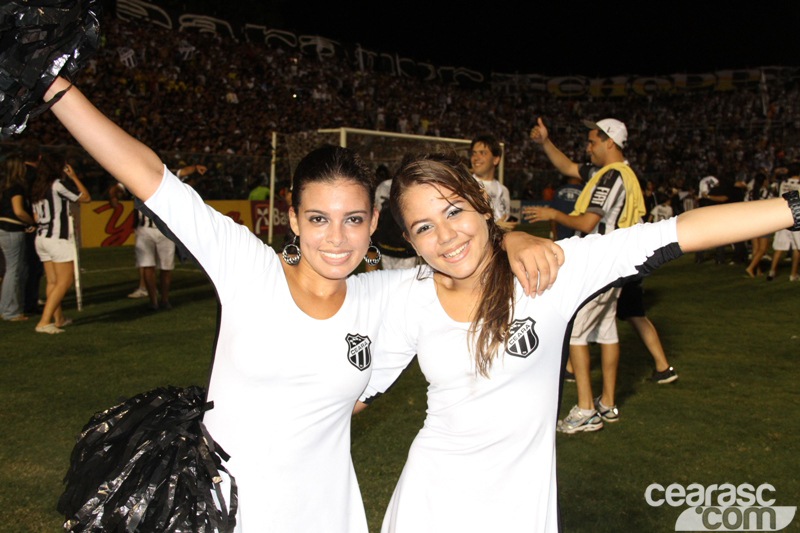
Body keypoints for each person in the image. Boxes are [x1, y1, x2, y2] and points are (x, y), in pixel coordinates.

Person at [44, 76, 563, 532]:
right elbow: (148, 175)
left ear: (374, 222)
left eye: (353, 219)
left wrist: (508, 241)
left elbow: (460, 253)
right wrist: (54, 89)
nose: (336, 238)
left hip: (324, 513)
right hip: (227, 511)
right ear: (292, 219)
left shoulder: (386, 292)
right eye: (318, 219)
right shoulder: (249, 268)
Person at [358, 151, 799, 533]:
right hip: (428, 504)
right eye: (424, 227)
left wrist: (795, 207)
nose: (446, 236)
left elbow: (678, 233)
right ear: (411, 240)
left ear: (483, 208)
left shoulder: (548, 271)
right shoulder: (409, 296)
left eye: (454, 211)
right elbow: (351, 393)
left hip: (518, 511)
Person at [524, 117, 677, 429]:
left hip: (600, 264)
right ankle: (607, 403)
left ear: (610, 142)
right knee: (606, 333)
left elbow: (587, 223)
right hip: (616, 264)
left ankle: (585, 410)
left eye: (592, 141)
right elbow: (568, 167)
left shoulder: (610, 178)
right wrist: (545, 143)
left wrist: (553, 213)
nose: (587, 147)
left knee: (577, 332)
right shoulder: (613, 174)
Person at [29, 154, 91, 333]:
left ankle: (58, 319)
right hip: (57, 238)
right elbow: (85, 198)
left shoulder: (37, 187)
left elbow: (35, 216)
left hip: (41, 237)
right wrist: (73, 177)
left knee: (52, 281)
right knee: (64, 281)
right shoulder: (57, 185)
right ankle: (44, 321)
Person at [0, 156, 35, 321]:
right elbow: (18, 211)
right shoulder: (16, 187)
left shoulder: (4, 186)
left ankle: (8, 307)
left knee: (10, 270)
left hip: (3, 228)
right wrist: (32, 222)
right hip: (12, 229)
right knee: (13, 271)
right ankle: (10, 311)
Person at [470, 134, 515, 231]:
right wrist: (495, 228)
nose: (476, 158)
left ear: (496, 159)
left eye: (482, 153)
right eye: (474, 153)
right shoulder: (466, 187)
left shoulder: (504, 190)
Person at [766, 163, 800, 281]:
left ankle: (772, 272)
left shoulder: (783, 183)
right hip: (796, 217)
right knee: (797, 247)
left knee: (779, 247)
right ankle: (793, 275)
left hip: (783, 217)